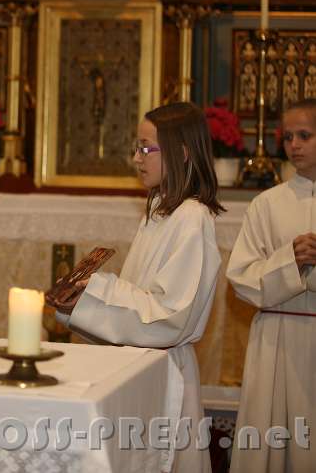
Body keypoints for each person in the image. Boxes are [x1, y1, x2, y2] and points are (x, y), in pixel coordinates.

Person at [55, 102, 224, 473]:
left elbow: (170, 317)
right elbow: (140, 301)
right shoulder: (161, 210)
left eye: (147, 148)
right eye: (137, 146)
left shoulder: (192, 218)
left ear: (181, 153)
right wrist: (81, 304)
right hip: (144, 369)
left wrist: (97, 293)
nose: (136, 157)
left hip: (167, 373)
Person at [226, 99, 316, 473]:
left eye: (305, 135)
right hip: (277, 339)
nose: (293, 144)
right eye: (288, 136)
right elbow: (241, 277)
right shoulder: (267, 204)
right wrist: (289, 261)